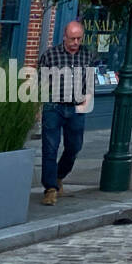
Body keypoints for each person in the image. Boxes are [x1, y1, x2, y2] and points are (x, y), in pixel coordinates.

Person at [38, 20, 96, 206]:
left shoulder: (87, 55)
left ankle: (59, 175)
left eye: (79, 38)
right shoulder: (50, 55)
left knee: (74, 147)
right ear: (64, 37)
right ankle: (50, 189)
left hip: (76, 107)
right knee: (50, 148)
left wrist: (87, 100)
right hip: (54, 106)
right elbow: (41, 82)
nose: (75, 42)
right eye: (72, 38)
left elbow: (90, 81)